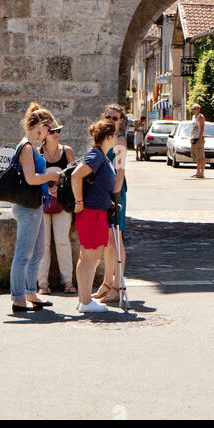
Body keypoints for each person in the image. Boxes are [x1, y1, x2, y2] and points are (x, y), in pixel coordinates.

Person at [9, 103, 64, 316]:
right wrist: (51, 176)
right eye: (48, 130)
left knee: (38, 251)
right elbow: (31, 178)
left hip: (36, 204)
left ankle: (30, 293)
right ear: (40, 126)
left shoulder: (31, 146)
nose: (48, 135)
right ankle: (18, 298)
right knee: (23, 254)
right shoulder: (27, 147)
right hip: (27, 207)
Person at [72, 118, 118, 314]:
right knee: (91, 258)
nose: (116, 138)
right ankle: (86, 301)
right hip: (92, 212)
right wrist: (79, 202)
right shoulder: (97, 156)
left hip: (94, 211)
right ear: (108, 137)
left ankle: (84, 299)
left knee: (86, 257)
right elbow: (76, 175)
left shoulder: (100, 156)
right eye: (115, 135)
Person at [94, 103, 129, 304]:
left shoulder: (120, 142)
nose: (111, 120)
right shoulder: (103, 139)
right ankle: (106, 283)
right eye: (108, 116)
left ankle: (118, 285)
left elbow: (120, 173)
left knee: (116, 238)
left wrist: (113, 197)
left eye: (115, 118)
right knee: (107, 240)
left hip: (115, 192)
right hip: (104, 192)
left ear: (121, 120)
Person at [38, 120, 76, 295]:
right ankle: (43, 282)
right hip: (42, 201)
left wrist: (59, 186)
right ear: (46, 134)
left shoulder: (67, 152)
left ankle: (67, 281)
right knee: (43, 243)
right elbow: (33, 177)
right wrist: (47, 187)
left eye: (58, 130)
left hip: (61, 201)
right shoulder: (38, 153)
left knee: (62, 240)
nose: (56, 133)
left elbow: (73, 176)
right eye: (53, 131)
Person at [189, 102, 206, 179]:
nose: (193, 110)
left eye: (195, 109)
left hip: (199, 138)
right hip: (194, 138)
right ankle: (197, 172)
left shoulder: (201, 117)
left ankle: (202, 172)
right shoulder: (193, 117)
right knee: (196, 155)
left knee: (201, 156)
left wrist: (200, 138)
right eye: (193, 109)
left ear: (199, 109)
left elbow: (202, 128)